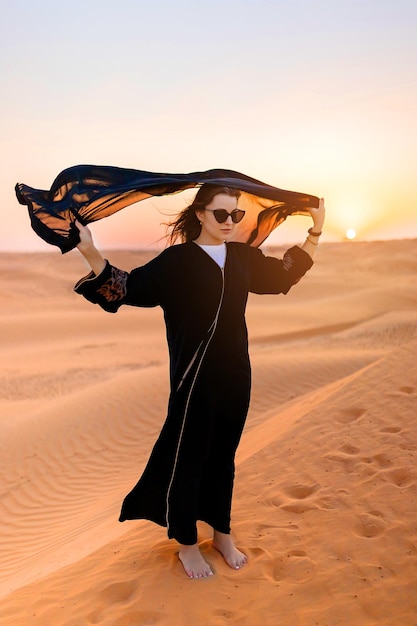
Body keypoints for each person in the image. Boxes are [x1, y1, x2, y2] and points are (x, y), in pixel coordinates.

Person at [74, 183, 325, 579]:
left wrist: (315, 232)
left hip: (237, 376)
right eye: (221, 214)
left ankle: (222, 534)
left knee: (224, 459)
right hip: (194, 380)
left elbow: (283, 278)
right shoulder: (177, 262)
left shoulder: (242, 257)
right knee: (189, 459)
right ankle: (187, 544)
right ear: (201, 214)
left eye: (236, 215)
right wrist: (88, 248)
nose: (229, 222)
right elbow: (127, 288)